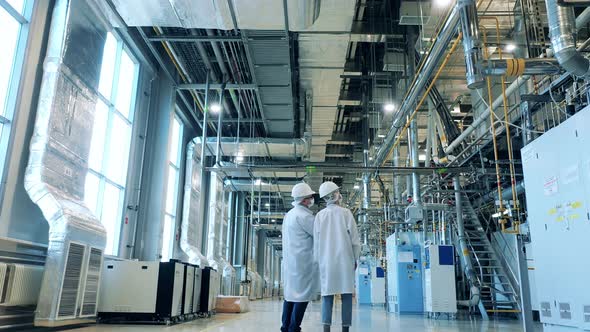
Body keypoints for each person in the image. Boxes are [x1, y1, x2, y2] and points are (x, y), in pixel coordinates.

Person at [314, 181, 361, 332]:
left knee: (327, 295)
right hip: (345, 260)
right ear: (335, 195)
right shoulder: (346, 213)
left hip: (326, 262)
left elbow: (316, 242)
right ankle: (345, 329)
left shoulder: (319, 216)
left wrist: (318, 261)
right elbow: (355, 240)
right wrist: (355, 259)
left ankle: (326, 328)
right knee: (346, 294)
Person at [281, 182, 318, 332]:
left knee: (290, 297)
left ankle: (285, 327)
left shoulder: (289, 215)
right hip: (302, 263)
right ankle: (294, 328)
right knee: (301, 297)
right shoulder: (304, 216)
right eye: (310, 197)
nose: (312, 199)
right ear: (303, 200)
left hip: (291, 263)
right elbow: (319, 234)